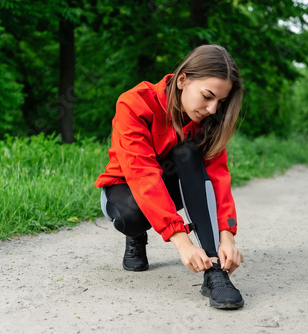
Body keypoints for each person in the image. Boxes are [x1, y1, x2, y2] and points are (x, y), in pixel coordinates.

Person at [94, 44, 244, 309]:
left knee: (188, 152)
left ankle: (214, 271)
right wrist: (182, 242)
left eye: (220, 102)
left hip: (174, 185)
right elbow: (142, 175)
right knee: (133, 217)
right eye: (208, 96)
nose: (212, 109)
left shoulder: (208, 120)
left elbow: (217, 177)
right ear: (183, 79)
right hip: (126, 189)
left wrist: (227, 235)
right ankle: (136, 236)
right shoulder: (134, 102)